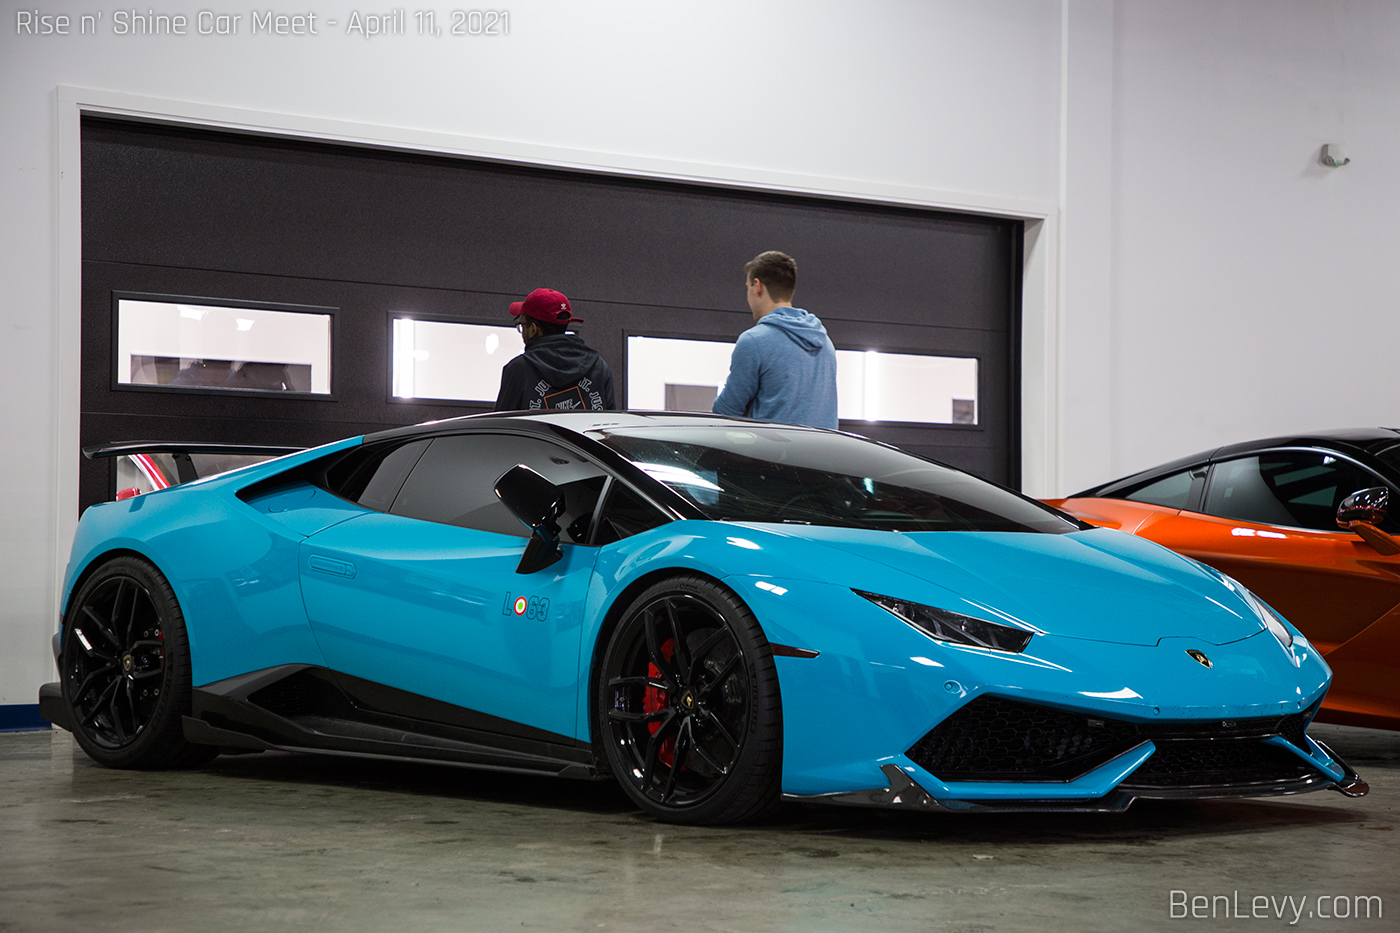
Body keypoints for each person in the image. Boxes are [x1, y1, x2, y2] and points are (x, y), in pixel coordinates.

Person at [712, 250, 838, 429]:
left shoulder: (754, 342)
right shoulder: (825, 343)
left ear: (757, 287)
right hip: (822, 456)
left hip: (774, 456)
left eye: (747, 286)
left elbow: (724, 413)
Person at [494, 287, 616, 412]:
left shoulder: (518, 369)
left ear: (533, 329)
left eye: (523, 325)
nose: (522, 331)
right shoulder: (599, 367)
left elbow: (501, 426)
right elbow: (609, 423)